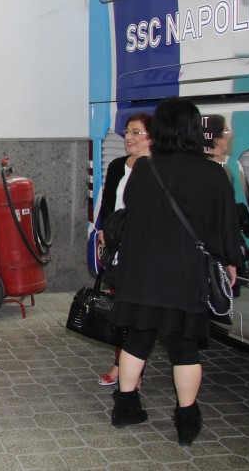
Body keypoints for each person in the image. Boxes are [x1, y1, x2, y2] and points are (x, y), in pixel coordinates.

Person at [110, 97, 241, 446]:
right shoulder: (212, 173)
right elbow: (226, 225)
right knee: (184, 347)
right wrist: (230, 261)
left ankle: (125, 408)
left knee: (138, 337)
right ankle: (186, 421)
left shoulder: (144, 168)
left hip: (142, 271)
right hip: (186, 273)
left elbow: (131, 212)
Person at [94, 112, 152, 386]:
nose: (129, 137)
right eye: (127, 132)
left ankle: (132, 371)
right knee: (120, 310)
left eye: (136, 132)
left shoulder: (157, 168)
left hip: (145, 252)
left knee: (139, 315)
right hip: (118, 248)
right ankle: (121, 365)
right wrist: (103, 231)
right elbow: (107, 204)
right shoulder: (119, 165)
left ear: (153, 138)